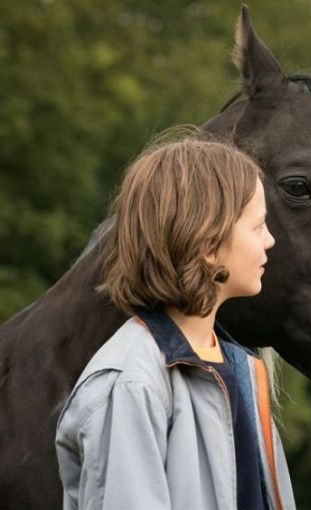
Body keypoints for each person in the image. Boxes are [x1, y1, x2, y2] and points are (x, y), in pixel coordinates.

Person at [55, 134, 295, 509]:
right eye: (258, 226)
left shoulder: (242, 369)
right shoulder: (131, 385)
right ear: (208, 244)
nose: (270, 241)